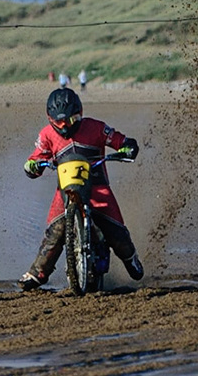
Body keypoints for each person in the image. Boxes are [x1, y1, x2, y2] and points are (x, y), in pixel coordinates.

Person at [19, 88, 143, 289]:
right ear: (50, 119)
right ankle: (37, 273)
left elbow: (119, 140)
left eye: (71, 119)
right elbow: (36, 158)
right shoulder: (47, 135)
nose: (65, 126)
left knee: (117, 232)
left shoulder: (95, 128)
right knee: (55, 231)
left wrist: (127, 146)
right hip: (65, 190)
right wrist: (32, 165)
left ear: (80, 113)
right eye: (59, 122)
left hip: (97, 187)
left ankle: (130, 258)